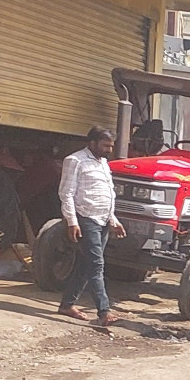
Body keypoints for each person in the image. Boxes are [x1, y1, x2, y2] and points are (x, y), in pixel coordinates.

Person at [57, 127, 126, 324]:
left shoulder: (103, 163)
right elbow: (66, 194)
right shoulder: (75, 161)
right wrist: (72, 222)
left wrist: (113, 220)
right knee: (96, 265)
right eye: (105, 146)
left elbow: (106, 194)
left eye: (111, 146)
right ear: (92, 143)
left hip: (103, 220)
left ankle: (67, 305)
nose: (109, 150)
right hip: (86, 219)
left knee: (85, 264)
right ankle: (104, 312)